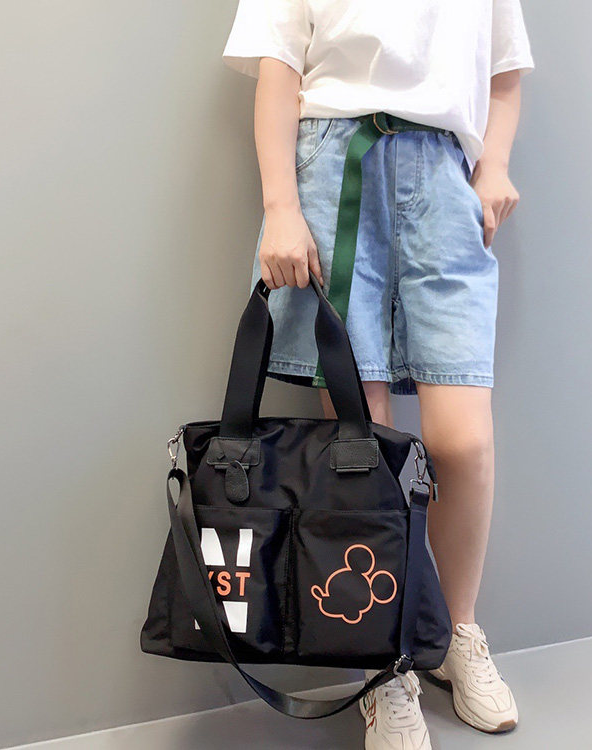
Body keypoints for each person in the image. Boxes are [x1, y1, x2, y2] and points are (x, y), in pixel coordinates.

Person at [222, 1, 534, 746]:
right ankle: (383, 660)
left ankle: (455, 634)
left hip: (445, 181)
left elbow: (505, 72)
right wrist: (280, 207)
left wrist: (494, 166)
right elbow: (278, 70)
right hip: (335, 171)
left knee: (463, 444)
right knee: (362, 449)